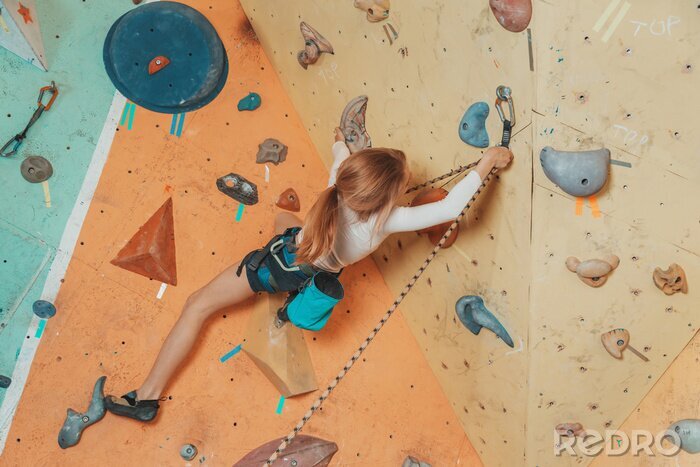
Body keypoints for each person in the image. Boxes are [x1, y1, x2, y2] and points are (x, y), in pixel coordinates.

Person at [104, 128, 513, 421]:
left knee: (196, 307)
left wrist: (340, 141)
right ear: (386, 199)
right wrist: (487, 163)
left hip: (278, 267)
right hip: (308, 266)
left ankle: (147, 397)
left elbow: (340, 160)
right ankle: (285, 303)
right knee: (283, 218)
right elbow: (447, 209)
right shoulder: (387, 222)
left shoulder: (337, 186)